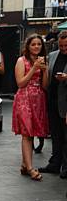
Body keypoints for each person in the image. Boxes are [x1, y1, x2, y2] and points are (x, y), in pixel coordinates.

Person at [12, 34, 49, 181]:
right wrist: (34, 68)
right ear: (27, 46)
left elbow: (45, 85)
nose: (36, 47)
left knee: (33, 132)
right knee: (27, 133)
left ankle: (24, 164)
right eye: (33, 44)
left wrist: (45, 70)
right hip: (24, 98)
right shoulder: (22, 60)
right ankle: (30, 168)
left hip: (38, 99)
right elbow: (20, 83)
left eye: (39, 44)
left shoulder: (43, 60)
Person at [39, 31, 67, 178]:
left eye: (66, 46)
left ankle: (65, 166)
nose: (63, 48)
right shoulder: (53, 55)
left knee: (66, 135)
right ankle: (55, 163)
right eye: (61, 45)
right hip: (53, 100)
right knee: (55, 134)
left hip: (66, 103)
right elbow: (47, 77)